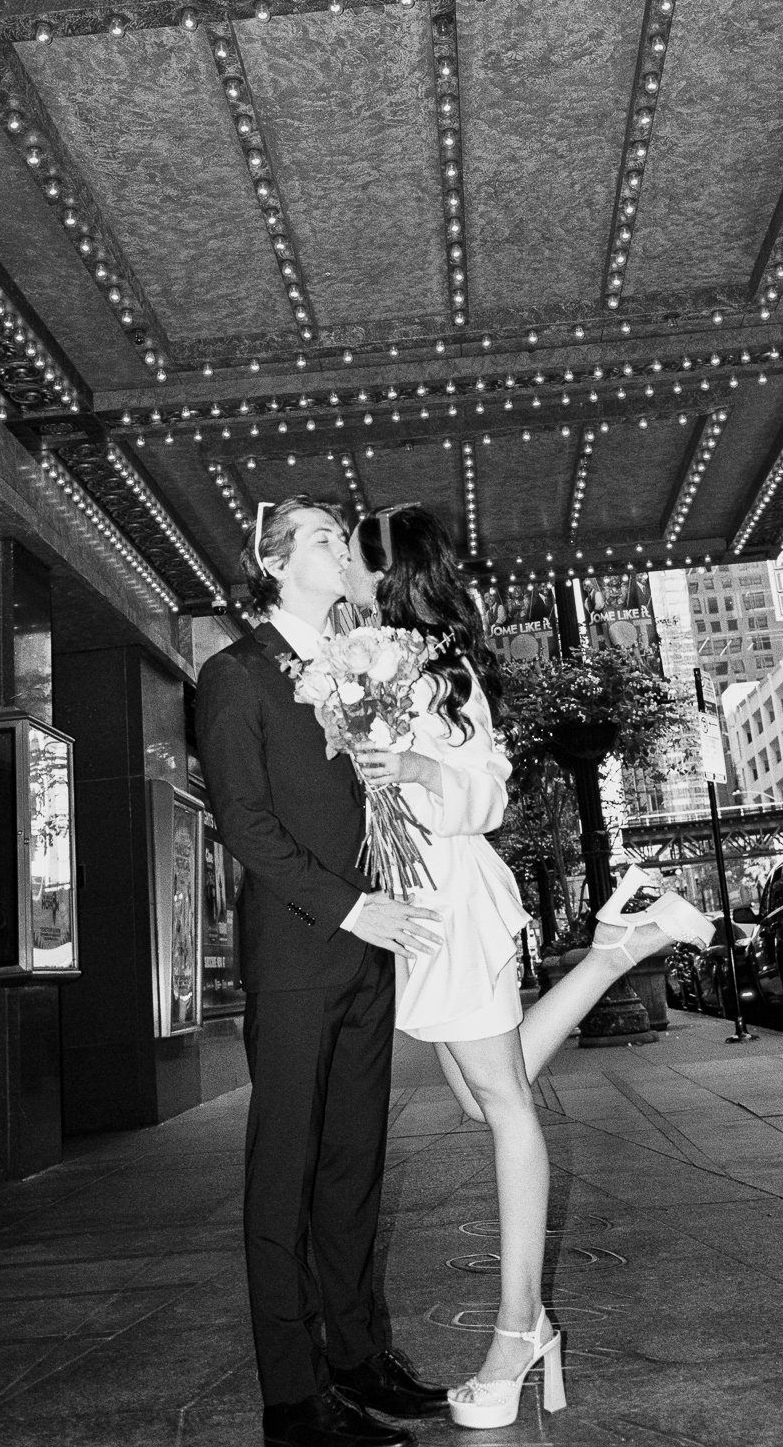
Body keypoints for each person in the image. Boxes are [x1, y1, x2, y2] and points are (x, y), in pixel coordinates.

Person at [347, 506, 711, 1430]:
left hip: (450, 902)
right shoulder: (377, 661)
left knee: (504, 1107)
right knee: (485, 1101)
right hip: (419, 901)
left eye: (353, 558)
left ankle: (518, 1333)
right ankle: (622, 946)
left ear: (389, 573)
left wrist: (417, 771)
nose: (345, 572)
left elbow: (486, 794)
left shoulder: (444, 673)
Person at [195, 496, 449, 1447]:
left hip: (368, 949)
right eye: (322, 538)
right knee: (284, 1177)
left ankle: (358, 1357)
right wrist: (350, 907)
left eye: (343, 539)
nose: (343, 550)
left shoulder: (357, 662)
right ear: (272, 562)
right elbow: (245, 824)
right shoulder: (234, 675)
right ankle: (294, 1401)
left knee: (352, 1166)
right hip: (301, 954)